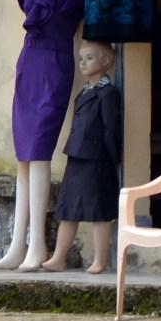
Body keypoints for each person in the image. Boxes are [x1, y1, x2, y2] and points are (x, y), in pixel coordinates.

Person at [0, 0, 87, 272]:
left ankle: (38, 246)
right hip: (28, 64)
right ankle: (17, 245)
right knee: (24, 155)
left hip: (54, 66)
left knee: (40, 151)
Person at [42, 40, 123, 273]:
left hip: (98, 158)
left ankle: (100, 260)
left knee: (100, 210)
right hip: (77, 155)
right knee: (68, 208)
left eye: (89, 58)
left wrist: (113, 157)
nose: (83, 63)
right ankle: (59, 257)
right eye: (81, 59)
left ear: (105, 61)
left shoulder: (108, 94)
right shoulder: (84, 93)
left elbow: (111, 128)